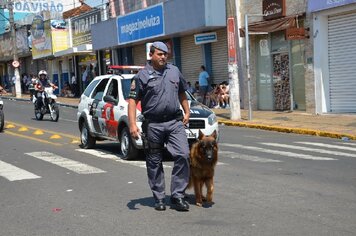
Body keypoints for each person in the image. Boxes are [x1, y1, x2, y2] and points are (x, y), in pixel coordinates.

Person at [128, 41, 190, 212]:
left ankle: (178, 195)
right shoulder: (142, 75)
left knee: (183, 155)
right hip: (153, 124)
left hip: (174, 122)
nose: (163, 57)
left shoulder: (174, 71)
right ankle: (159, 197)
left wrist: (187, 111)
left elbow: (182, 92)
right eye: (160, 54)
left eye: (165, 54)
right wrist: (132, 124)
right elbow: (133, 100)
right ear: (151, 55)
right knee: (154, 161)